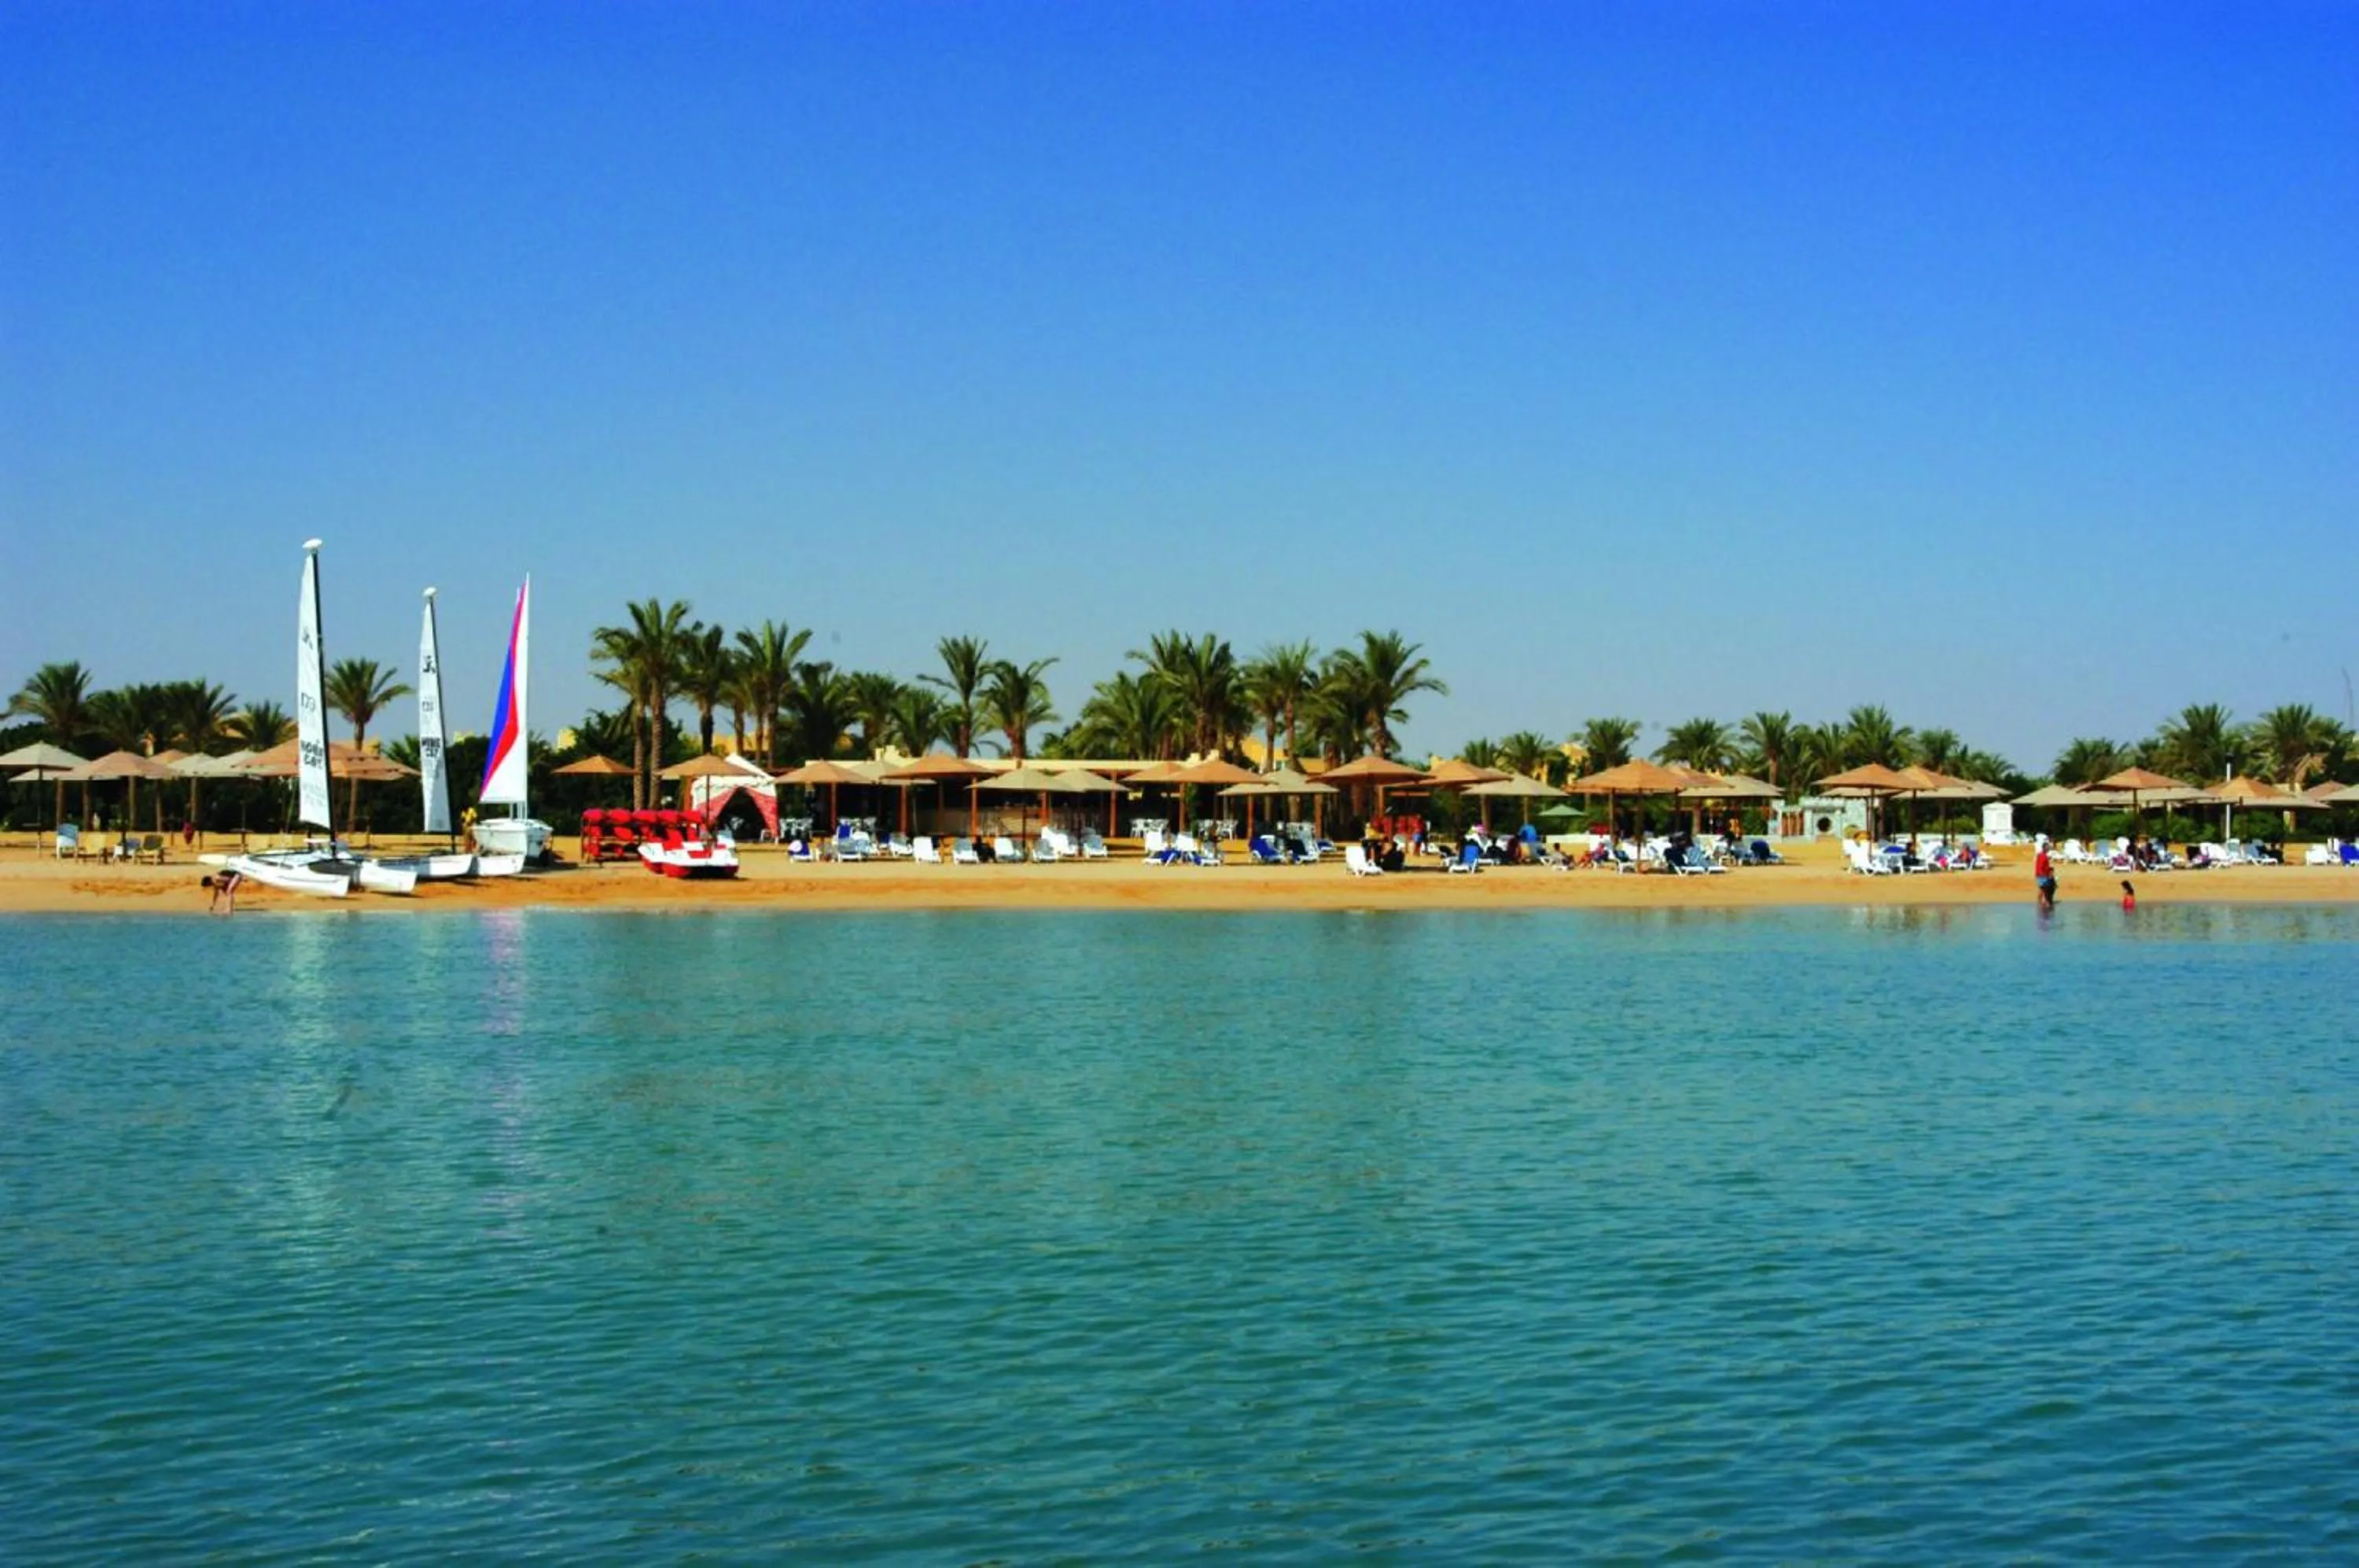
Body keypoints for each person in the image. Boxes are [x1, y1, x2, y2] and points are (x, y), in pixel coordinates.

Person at [2033, 837, 2057, 911]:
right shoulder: (2042, 856)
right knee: (2044, 890)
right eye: (2048, 848)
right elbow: (2040, 867)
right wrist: (2044, 874)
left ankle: (2041, 903)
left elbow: (2044, 866)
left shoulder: (2043, 855)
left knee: (2042, 890)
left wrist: (2050, 870)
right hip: (2042, 875)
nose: (2049, 849)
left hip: (2042, 874)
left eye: (2049, 848)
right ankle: (2044, 903)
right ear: (2045, 848)